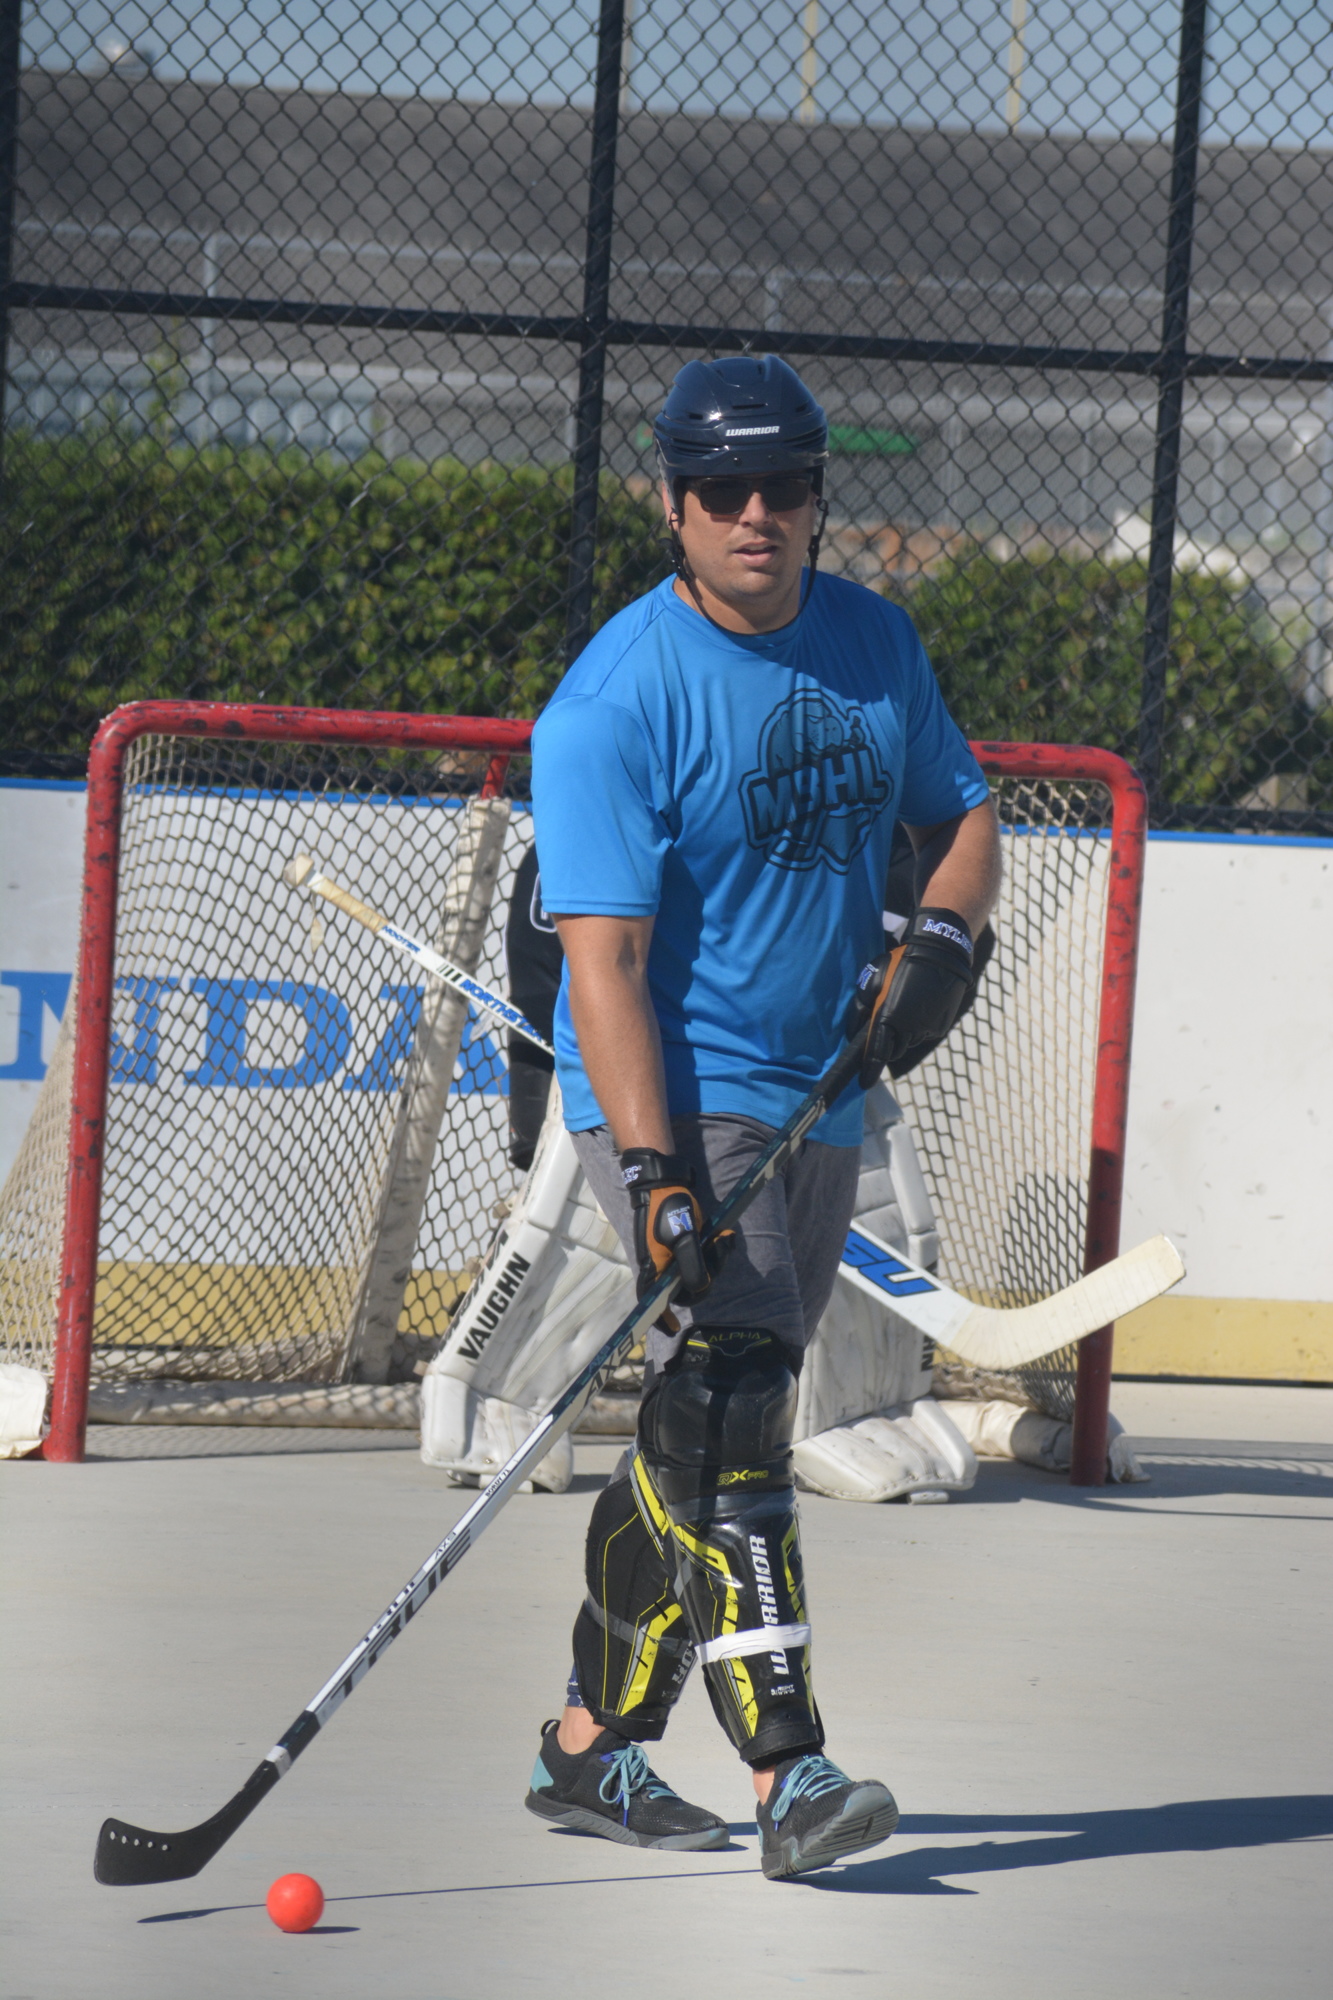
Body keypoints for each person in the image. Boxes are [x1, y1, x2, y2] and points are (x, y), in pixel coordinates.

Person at [524, 354, 1001, 1880]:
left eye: (781, 486)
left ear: (814, 498)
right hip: (677, 1092)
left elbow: (962, 817)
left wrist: (940, 938)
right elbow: (599, 960)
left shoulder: (873, 644)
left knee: (697, 1422)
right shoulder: (614, 699)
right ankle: (789, 1776)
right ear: (671, 504)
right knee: (737, 1416)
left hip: (820, 1094)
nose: (753, 514)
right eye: (719, 490)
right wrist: (654, 1172)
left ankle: (589, 1748)